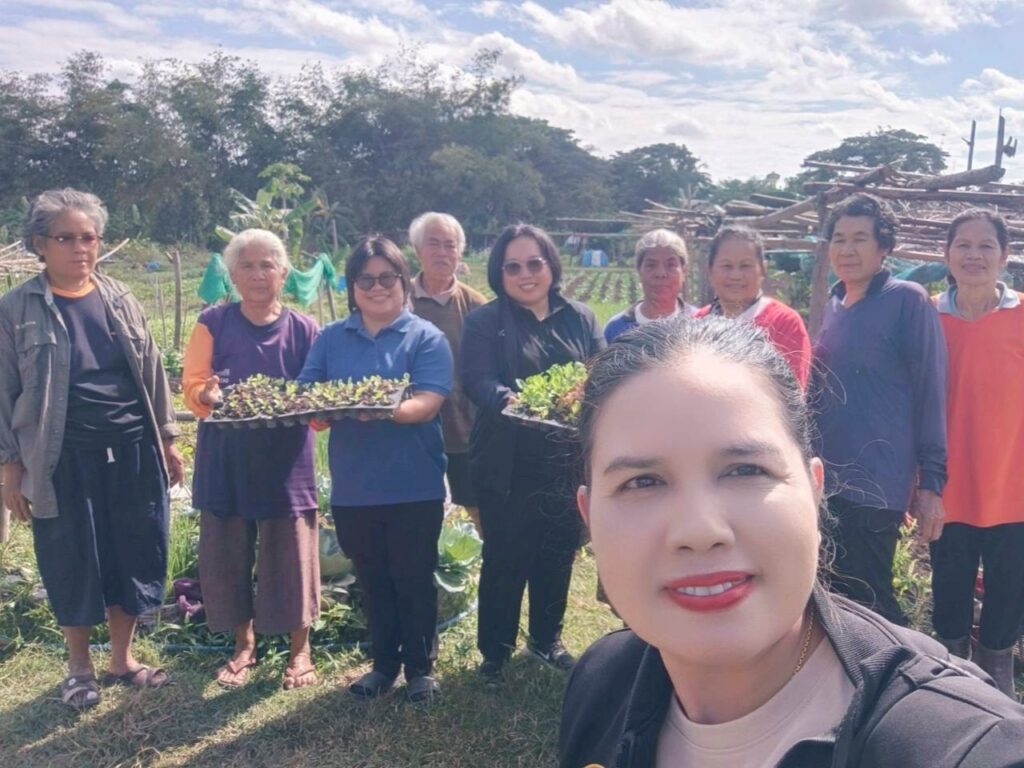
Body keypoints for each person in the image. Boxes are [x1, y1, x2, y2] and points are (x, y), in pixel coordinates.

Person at [561, 317, 1024, 768]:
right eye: (642, 482)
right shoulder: (604, 682)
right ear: (588, 517)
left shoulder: (965, 745)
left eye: (745, 470)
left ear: (815, 491)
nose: (700, 531)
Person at [0, 188, 183, 709]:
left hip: (131, 447)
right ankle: (79, 669)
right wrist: (10, 468)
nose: (81, 248)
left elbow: (151, 372)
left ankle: (122, 659)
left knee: (133, 548)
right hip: (61, 457)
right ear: (39, 243)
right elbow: (3, 390)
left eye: (90, 237)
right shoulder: (16, 309)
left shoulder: (119, 297)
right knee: (71, 556)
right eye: (67, 238)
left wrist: (168, 439)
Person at [297, 236, 452, 704]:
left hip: (414, 484)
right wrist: (322, 410)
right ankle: (383, 665)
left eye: (388, 277)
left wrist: (377, 409)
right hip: (355, 487)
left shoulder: (426, 337)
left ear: (403, 282)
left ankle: (420, 669)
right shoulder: (331, 338)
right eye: (366, 280)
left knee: (413, 577)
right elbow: (308, 395)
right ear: (352, 287)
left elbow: (428, 402)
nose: (378, 287)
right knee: (372, 579)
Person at [460, 223, 605, 685]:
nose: (526, 275)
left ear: (550, 266)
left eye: (534, 263)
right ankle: (495, 651)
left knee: (557, 551)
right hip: (506, 460)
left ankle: (546, 639)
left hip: (564, 459)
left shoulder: (579, 317)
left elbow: (600, 371)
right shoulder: (485, 321)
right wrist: (506, 399)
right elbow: (475, 379)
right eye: (513, 267)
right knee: (505, 556)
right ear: (499, 273)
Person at [182, 229, 321, 690]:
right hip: (227, 456)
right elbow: (193, 384)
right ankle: (244, 645)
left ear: (284, 273)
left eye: (268, 265)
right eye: (247, 265)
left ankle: (300, 650)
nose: (258, 274)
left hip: (286, 460)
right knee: (227, 551)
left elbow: (319, 401)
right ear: (233, 275)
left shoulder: (305, 329)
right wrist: (206, 394)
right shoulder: (213, 322)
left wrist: (321, 409)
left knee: (292, 553)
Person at [811, 193, 947, 625]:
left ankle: (905, 663)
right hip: (828, 477)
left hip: (877, 479)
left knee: (870, 598)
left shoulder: (906, 300)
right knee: (833, 596)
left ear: (884, 247)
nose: (847, 250)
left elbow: (931, 392)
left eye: (860, 239)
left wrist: (931, 484)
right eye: (839, 239)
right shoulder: (835, 305)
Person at [929, 209, 1024, 696]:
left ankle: (998, 683)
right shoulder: (928, 317)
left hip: (1014, 486)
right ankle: (954, 687)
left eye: (986, 246)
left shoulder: (1021, 315)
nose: (974, 255)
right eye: (963, 245)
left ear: (1005, 257)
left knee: (1008, 594)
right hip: (948, 487)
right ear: (946, 255)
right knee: (949, 593)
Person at [408, 212, 487, 531]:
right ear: (417, 251)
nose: (442, 252)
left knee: (480, 511)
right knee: (416, 515)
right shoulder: (397, 300)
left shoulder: (476, 305)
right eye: (433, 244)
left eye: (450, 245)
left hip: (464, 429)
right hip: (409, 430)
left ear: (459, 253)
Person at [695, 225, 811, 387]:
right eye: (727, 266)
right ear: (710, 271)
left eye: (745, 266)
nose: (736, 275)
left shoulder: (784, 323)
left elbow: (792, 393)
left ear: (762, 270)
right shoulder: (697, 323)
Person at [604, 229, 697, 343]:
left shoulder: (698, 323)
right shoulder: (616, 329)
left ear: (684, 271)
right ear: (639, 270)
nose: (661, 273)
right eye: (651, 265)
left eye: (670, 265)